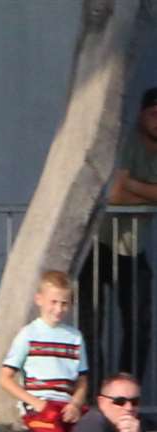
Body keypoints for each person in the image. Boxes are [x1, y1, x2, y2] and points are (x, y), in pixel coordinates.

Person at [79, 87, 157, 387]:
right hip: (98, 245)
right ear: (141, 114)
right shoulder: (127, 142)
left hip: (132, 249)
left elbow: (123, 190)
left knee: (139, 325)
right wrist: (149, 193)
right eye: (152, 113)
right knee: (91, 328)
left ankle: (127, 399)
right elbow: (112, 193)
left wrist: (131, 188)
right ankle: (95, 399)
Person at [0, 269, 89, 432]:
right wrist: (36, 403)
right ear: (39, 299)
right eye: (53, 302)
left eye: (64, 303)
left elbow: (82, 381)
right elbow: (5, 378)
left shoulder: (75, 337)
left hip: (67, 406)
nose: (58, 309)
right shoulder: (28, 334)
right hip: (39, 407)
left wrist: (74, 404)